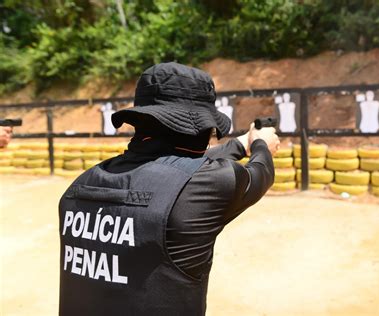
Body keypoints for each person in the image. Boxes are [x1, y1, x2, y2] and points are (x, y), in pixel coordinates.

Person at [58, 62, 280, 315]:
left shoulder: (80, 185)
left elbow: (173, 165)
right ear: (200, 128)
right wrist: (261, 143)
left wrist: (242, 143)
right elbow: (261, 172)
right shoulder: (209, 184)